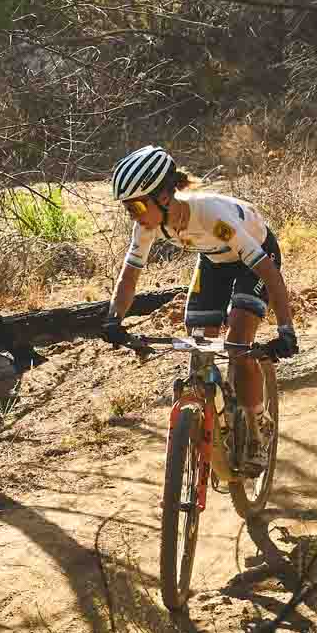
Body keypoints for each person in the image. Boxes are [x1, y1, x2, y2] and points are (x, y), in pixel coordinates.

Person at [98, 145, 297, 477]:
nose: (132, 214)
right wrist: (113, 318)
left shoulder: (213, 218)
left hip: (256, 258)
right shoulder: (147, 225)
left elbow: (268, 273)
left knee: (238, 344)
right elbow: (130, 274)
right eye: (126, 207)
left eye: (136, 205)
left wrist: (286, 328)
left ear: (163, 196)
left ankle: (258, 426)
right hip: (215, 260)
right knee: (199, 343)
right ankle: (213, 420)